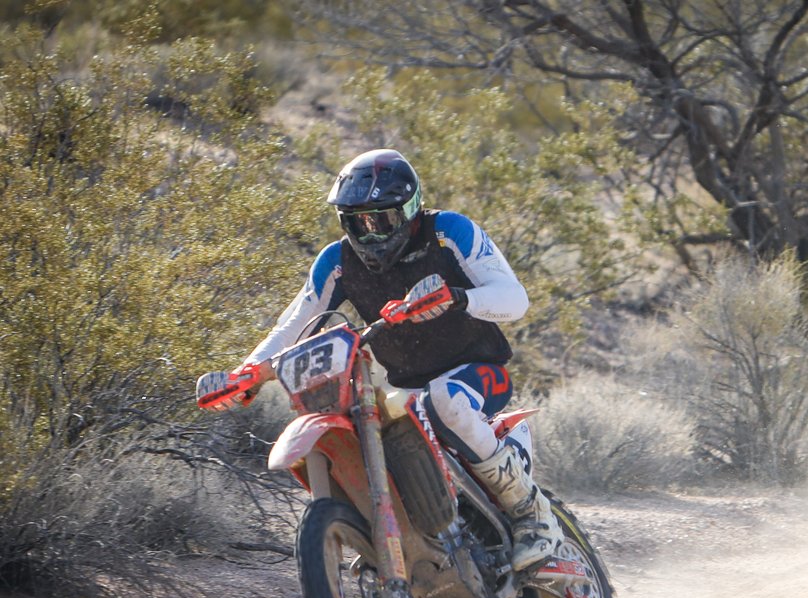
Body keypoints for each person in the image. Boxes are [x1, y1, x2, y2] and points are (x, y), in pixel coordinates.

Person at [201, 148, 560, 571]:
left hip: (480, 371)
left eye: (382, 220)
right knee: (371, 426)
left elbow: (515, 299)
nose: (370, 235)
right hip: (408, 386)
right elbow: (293, 325)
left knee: (444, 398)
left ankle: (531, 513)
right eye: (357, 222)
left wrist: (459, 297)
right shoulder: (337, 261)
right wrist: (247, 374)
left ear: (410, 209)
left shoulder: (448, 232)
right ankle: (392, 536)